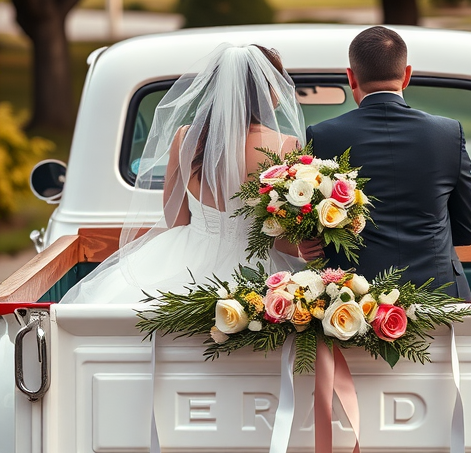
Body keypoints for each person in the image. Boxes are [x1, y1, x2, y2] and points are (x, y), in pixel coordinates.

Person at [61, 42, 306, 304]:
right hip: (259, 264)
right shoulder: (286, 146)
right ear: (267, 89)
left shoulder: (186, 138)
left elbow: (175, 218)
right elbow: (284, 238)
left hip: (188, 256)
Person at [302, 26, 471, 299]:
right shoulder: (448, 133)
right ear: (406, 75)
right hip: (439, 293)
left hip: (354, 301)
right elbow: (468, 229)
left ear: (350, 77)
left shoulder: (323, 136)